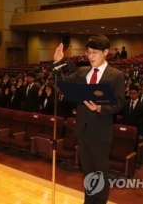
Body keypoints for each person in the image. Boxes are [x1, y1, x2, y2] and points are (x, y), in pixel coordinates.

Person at [53, 34, 125, 204]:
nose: (91, 56)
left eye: (95, 53)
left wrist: (100, 107)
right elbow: (63, 84)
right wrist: (57, 63)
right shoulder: (83, 71)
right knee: (87, 172)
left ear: (106, 52)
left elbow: (120, 104)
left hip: (101, 132)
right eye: (89, 52)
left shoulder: (115, 75)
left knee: (100, 173)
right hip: (82, 131)